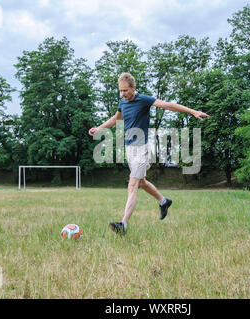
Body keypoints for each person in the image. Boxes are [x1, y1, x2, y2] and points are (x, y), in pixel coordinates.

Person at [88, 72, 209, 234]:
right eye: (121, 91)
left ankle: (123, 224)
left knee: (132, 185)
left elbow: (167, 105)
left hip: (141, 149)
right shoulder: (122, 102)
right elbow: (115, 119)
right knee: (142, 182)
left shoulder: (143, 100)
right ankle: (164, 201)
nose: (123, 94)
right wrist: (99, 128)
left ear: (134, 88)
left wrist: (192, 111)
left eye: (126, 90)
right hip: (129, 149)